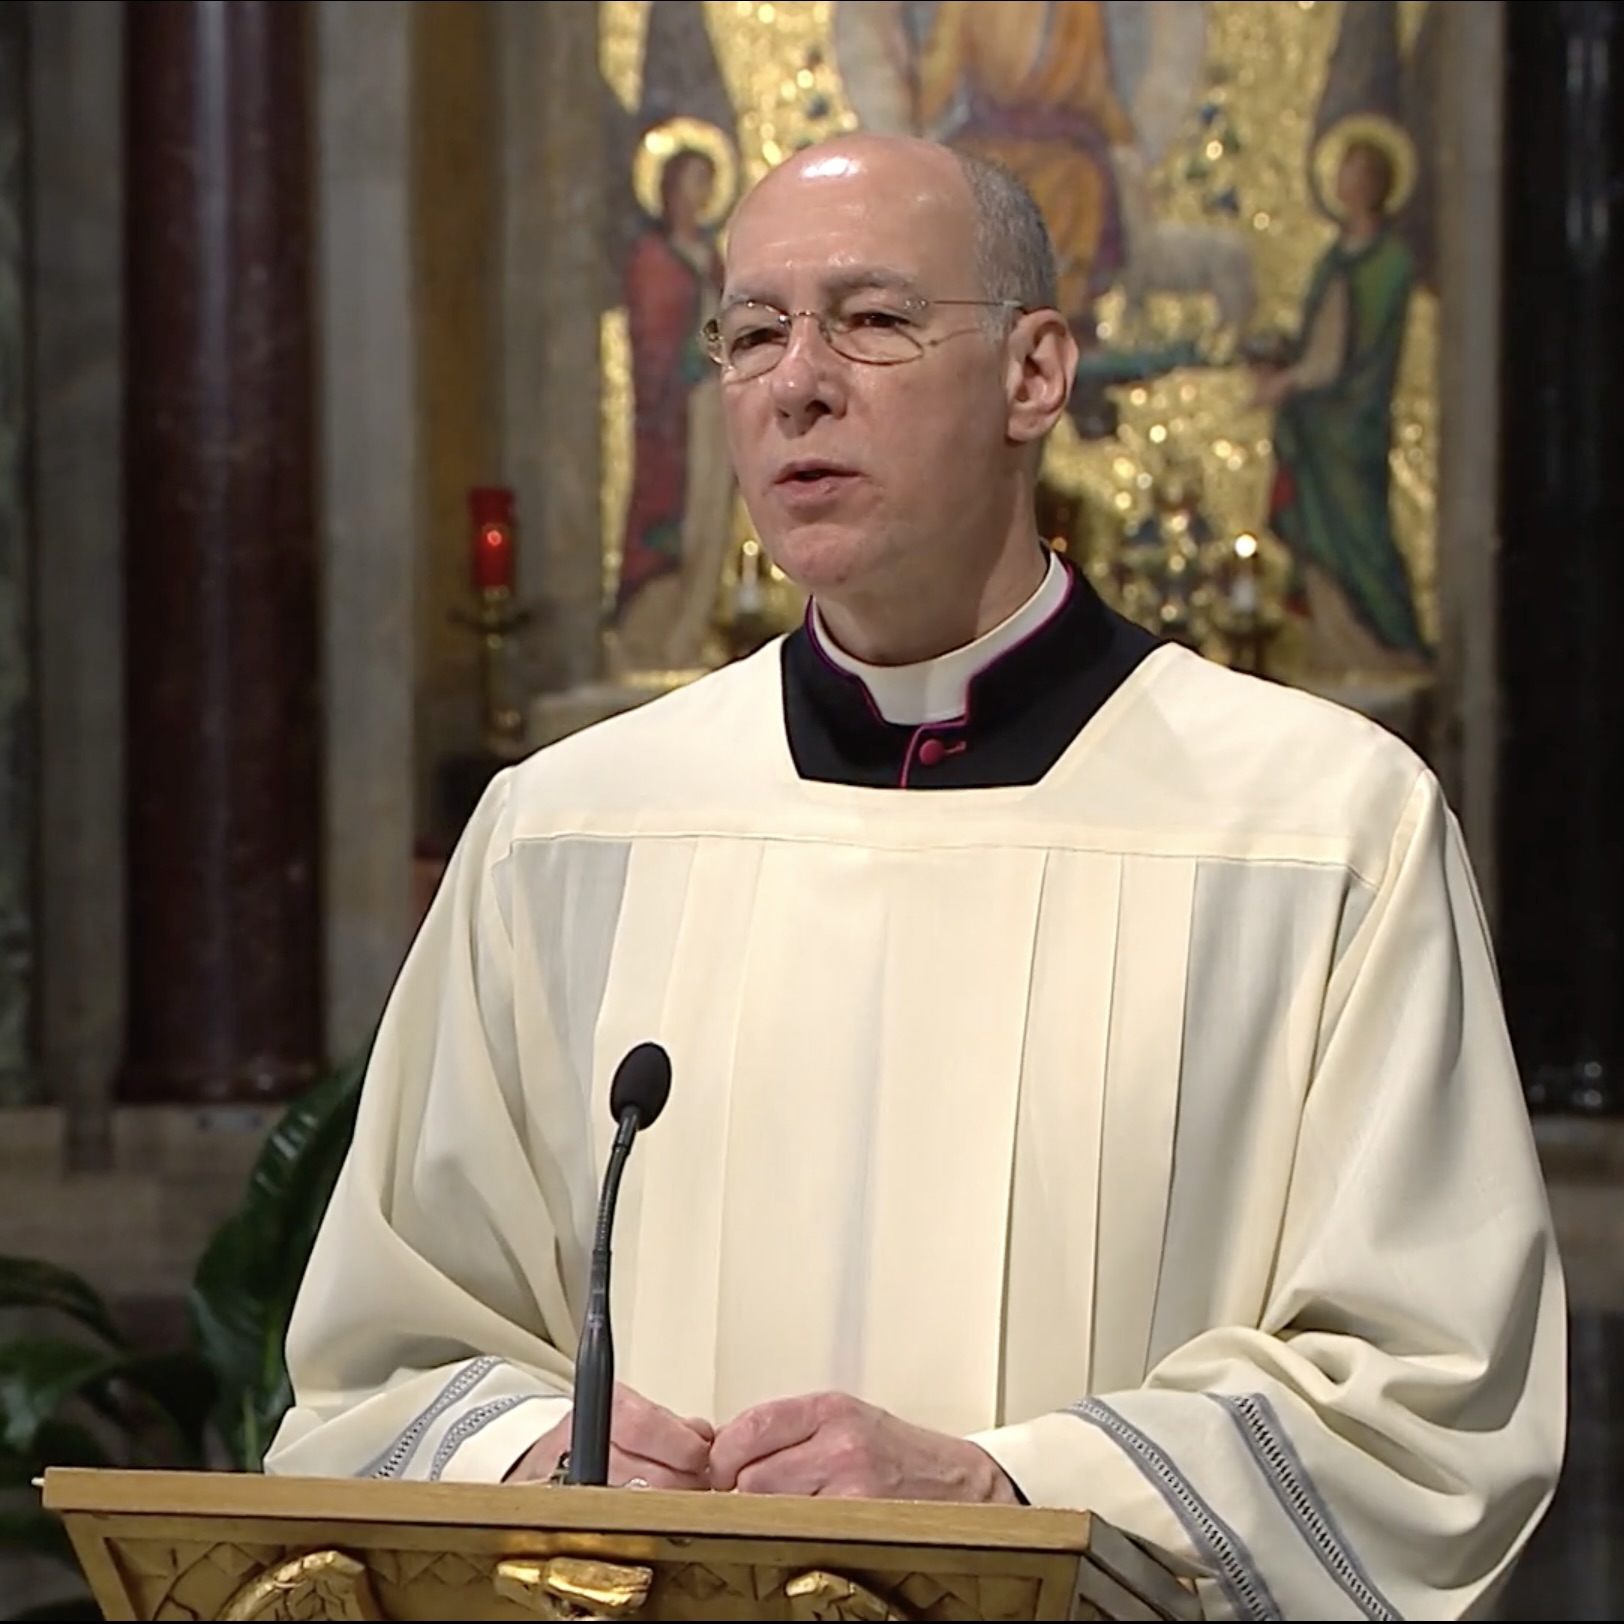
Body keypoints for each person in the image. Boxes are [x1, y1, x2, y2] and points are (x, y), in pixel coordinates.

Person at [268, 134, 1563, 1620]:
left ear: (1034, 376)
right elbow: (386, 1356)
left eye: (873, 320)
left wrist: (1013, 1494)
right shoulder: (565, 834)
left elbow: (1422, 1394)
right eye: (752, 332)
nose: (796, 382)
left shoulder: (1323, 831)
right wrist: (526, 1456)